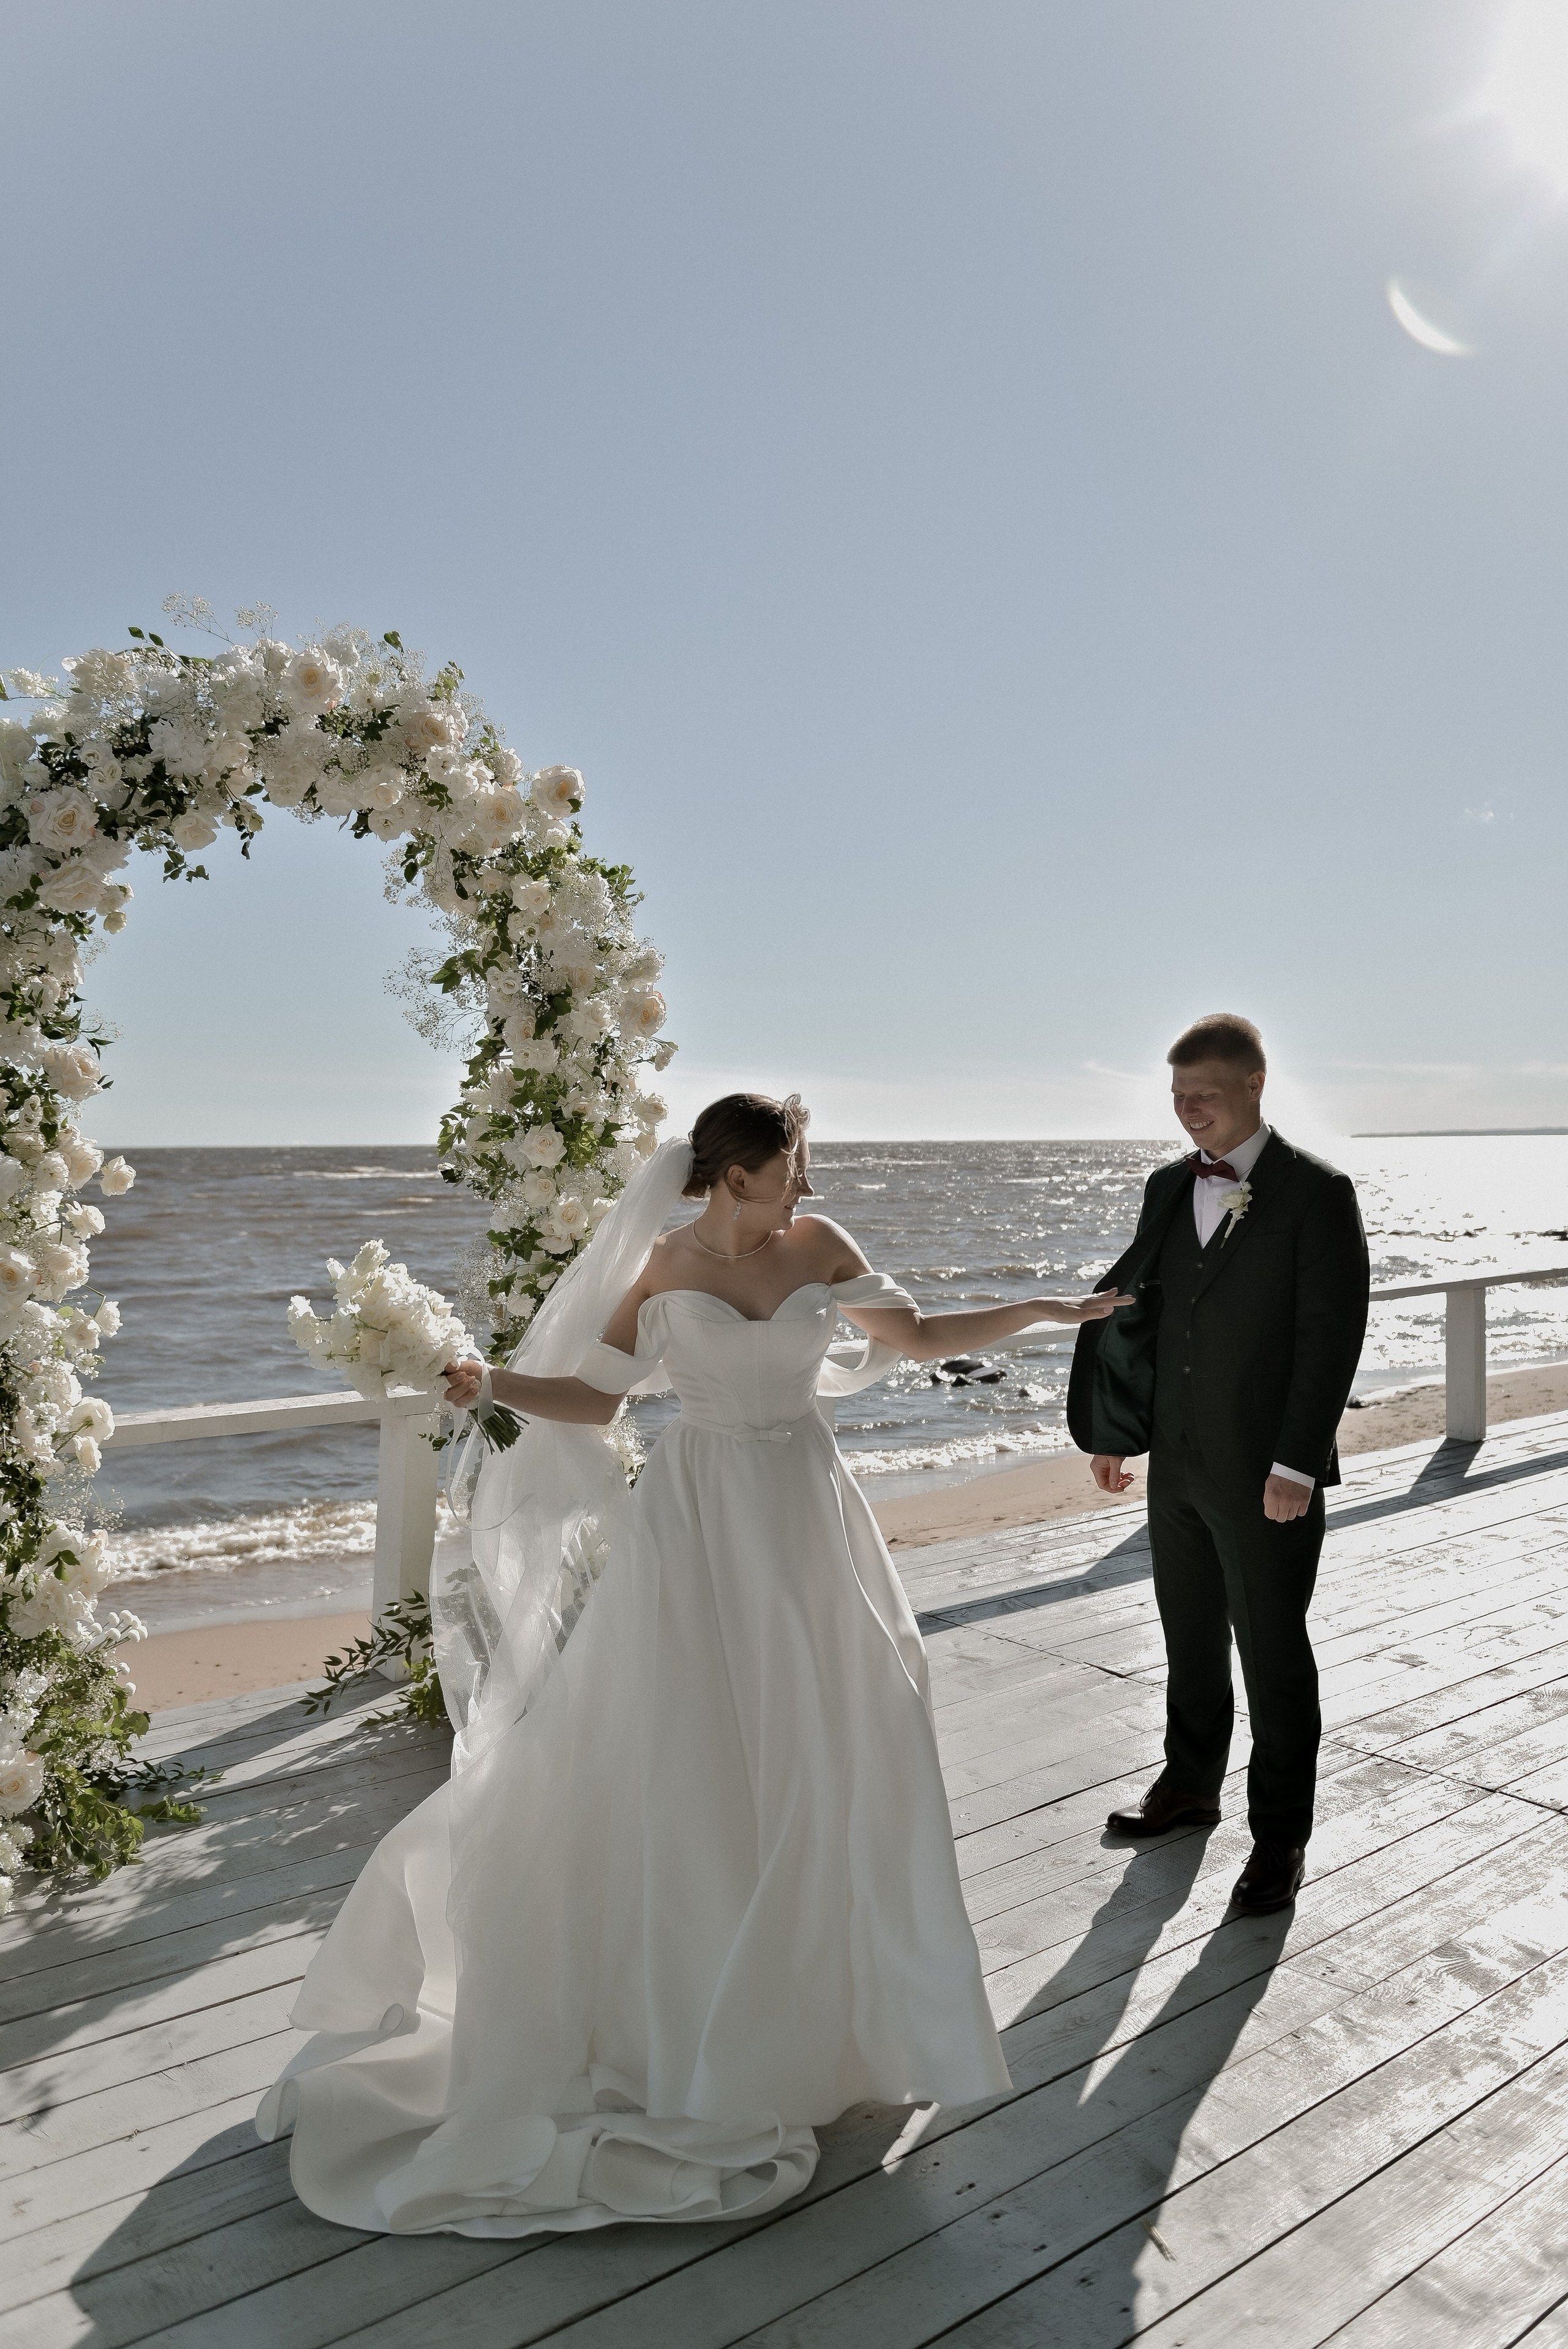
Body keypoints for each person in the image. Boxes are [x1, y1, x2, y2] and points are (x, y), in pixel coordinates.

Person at [258, 1091, 1131, 2237]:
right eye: (780, 1179)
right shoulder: (662, 1268)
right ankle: (699, 2000)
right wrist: (493, 1386)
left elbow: (914, 1340)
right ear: (726, 1178)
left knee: (849, 1728)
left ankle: (841, 2006)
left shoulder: (821, 1245)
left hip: (809, 1514)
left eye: (801, 1174)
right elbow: (598, 1398)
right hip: (700, 1519)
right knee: (689, 1745)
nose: (798, 1197)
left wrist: (1046, 1309)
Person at [1067, 1016, 1369, 1915]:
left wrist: (1298, 1463)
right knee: (1187, 1629)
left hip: (1268, 1470)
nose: (1186, 1110)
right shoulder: (1168, 1185)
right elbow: (1143, 1313)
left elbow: (1330, 1337)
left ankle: (1280, 1837)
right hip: (1179, 1465)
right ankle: (1189, 1786)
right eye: (1176, 1095)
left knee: (1272, 1649)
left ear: (1254, 1086)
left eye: (1203, 1093)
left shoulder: (1317, 1192)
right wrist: (1117, 1428)